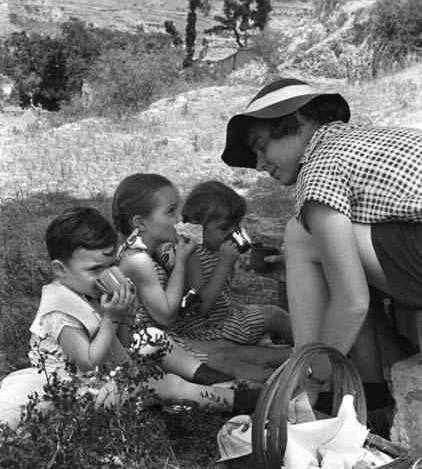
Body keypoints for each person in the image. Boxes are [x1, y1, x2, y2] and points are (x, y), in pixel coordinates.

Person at [221, 77, 422, 429]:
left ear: (296, 123)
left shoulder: (318, 167)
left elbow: (352, 300)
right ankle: (371, 392)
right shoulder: (359, 140)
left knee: (299, 233)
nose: (260, 164)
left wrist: (309, 377)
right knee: (328, 249)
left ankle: (319, 395)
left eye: (261, 146)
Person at [0, 207, 263, 428]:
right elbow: (89, 361)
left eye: (110, 264)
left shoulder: (87, 290)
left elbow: (123, 344)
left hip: (106, 372)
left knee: (153, 337)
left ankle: (213, 380)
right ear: (61, 270)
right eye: (95, 269)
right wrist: (112, 317)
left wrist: (124, 315)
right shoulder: (59, 312)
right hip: (80, 393)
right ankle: (239, 401)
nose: (106, 274)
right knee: (164, 384)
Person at [112, 173, 289, 382]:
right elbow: (167, 314)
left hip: (165, 339)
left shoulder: (148, 252)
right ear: (140, 223)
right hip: (151, 350)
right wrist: (181, 262)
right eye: (171, 211)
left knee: (228, 350)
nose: (179, 218)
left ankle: (302, 359)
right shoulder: (137, 260)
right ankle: (277, 384)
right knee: (225, 357)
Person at [176, 180, 293, 350]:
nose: (232, 232)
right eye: (224, 228)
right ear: (197, 225)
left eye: (236, 225)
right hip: (207, 331)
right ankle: (310, 353)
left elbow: (220, 296)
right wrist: (223, 265)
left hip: (220, 320)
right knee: (274, 315)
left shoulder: (211, 250)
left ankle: (266, 347)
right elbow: (202, 307)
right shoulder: (192, 255)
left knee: (253, 311)